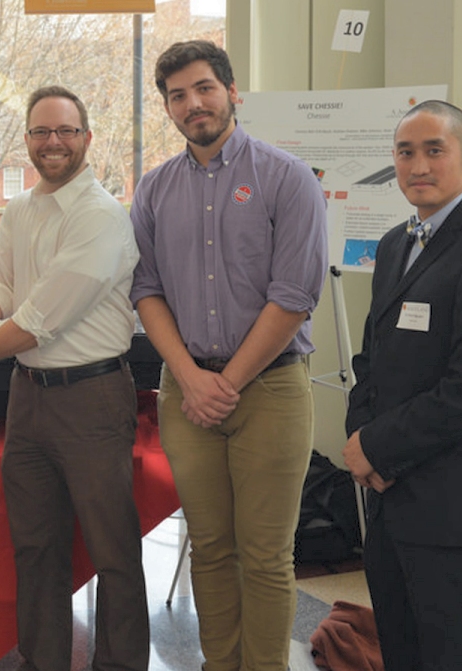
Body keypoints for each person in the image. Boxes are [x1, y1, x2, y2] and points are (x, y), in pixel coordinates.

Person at [0, 85, 147, 671]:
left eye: (66, 131)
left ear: (87, 139)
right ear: (26, 140)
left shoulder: (100, 216)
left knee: (113, 551)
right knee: (35, 547)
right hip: (29, 399)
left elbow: (39, 319)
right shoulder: (21, 210)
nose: (53, 143)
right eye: (41, 132)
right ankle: (42, 660)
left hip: (91, 398)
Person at [130, 40, 327, 671]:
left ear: (232, 92)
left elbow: (295, 295)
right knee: (211, 550)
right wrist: (190, 378)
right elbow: (146, 289)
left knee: (267, 556)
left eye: (204, 88)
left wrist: (228, 382)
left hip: (269, 390)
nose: (193, 104)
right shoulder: (155, 189)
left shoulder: (288, 177)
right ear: (167, 108)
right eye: (177, 96)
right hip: (186, 392)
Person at [344, 100, 462, 671]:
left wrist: (376, 448)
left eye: (435, 150)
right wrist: (358, 438)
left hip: (453, 505)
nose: (418, 165)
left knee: (459, 657)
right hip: (389, 500)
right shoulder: (394, 243)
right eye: (405, 152)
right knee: (403, 651)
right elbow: (372, 358)